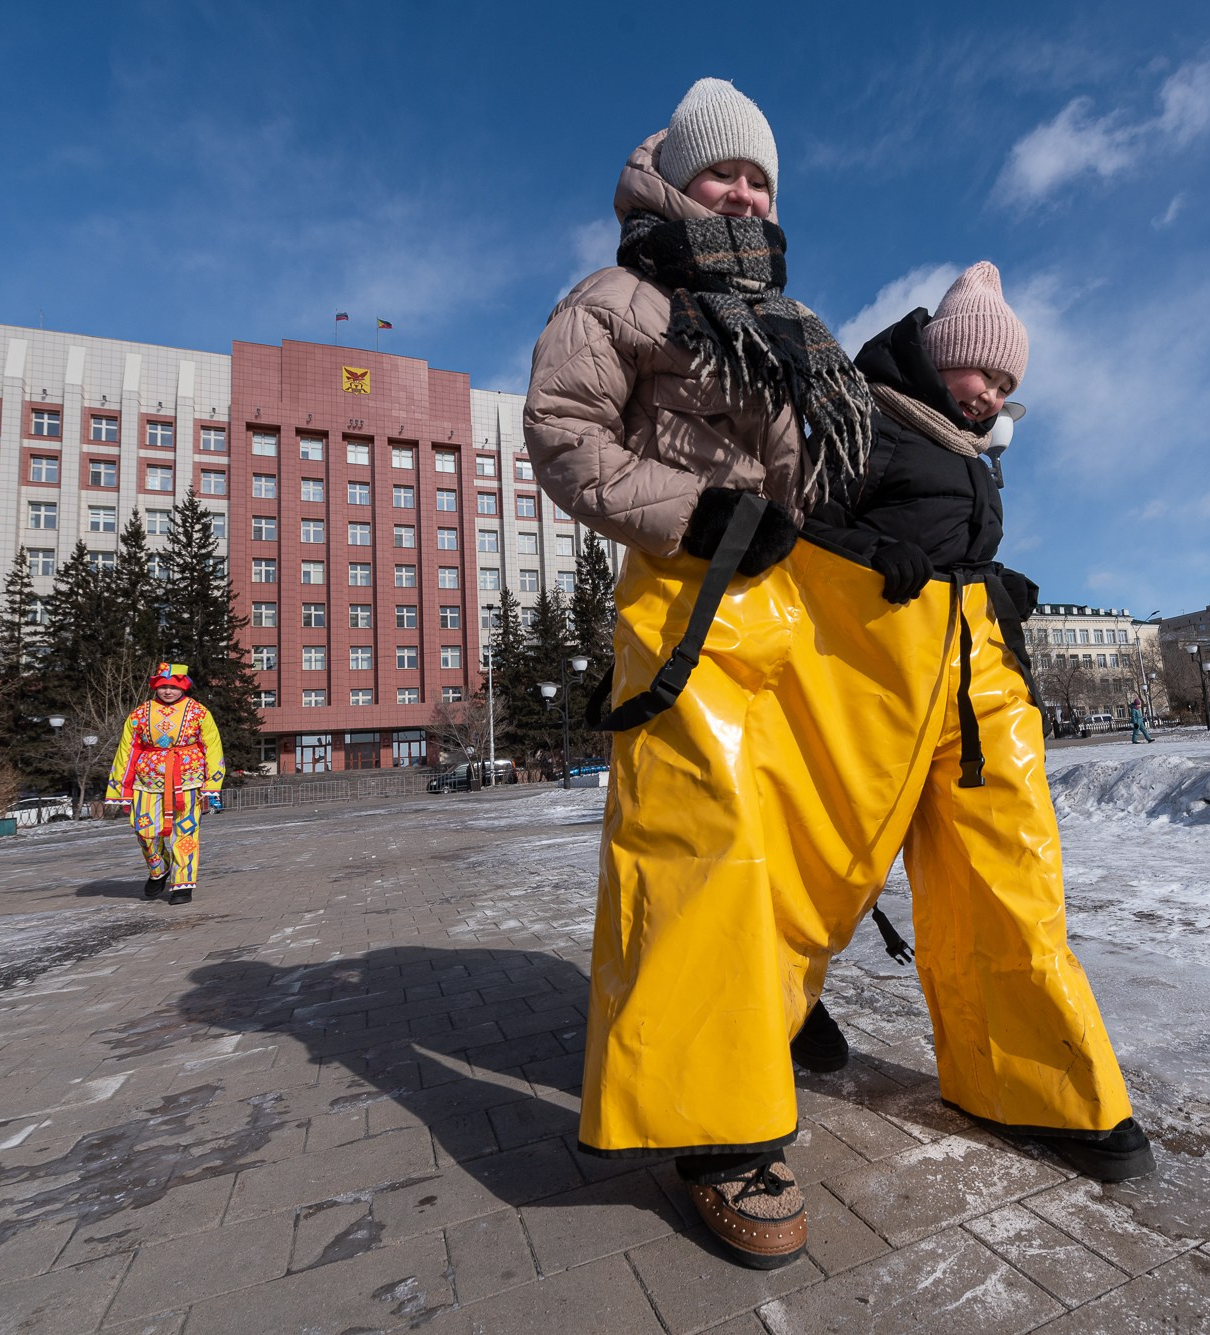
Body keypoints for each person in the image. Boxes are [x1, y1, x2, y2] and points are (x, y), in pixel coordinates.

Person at [526, 77, 874, 1270]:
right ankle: (717, 1128)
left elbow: (820, 474)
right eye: (722, 170)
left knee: (807, 829)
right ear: (675, 176)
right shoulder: (615, 298)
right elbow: (565, 438)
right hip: (684, 600)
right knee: (700, 850)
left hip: (783, 609)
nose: (742, 190)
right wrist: (702, 514)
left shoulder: (787, 322)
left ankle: (767, 1002)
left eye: (759, 177)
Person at [794, 262, 1148, 1176]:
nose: (991, 393)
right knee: (825, 865)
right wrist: (872, 551)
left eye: (1006, 385)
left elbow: (952, 551)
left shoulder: (972, 454)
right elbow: (800, 527)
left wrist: (995, 589)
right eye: (980, 374)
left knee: (1008, 877)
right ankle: (764, 1017)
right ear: (938, 359)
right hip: (864, 684)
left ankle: (1032, 1083)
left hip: (967, 692)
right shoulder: (864, 417)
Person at [105, 663, 225, 905]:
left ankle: (183, 883)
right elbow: (127, 750)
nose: (168, 691)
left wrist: (212, 784)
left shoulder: (199, 712)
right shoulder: (139, 714)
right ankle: (158, 868)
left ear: (184, 687)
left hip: (188, 781)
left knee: (186, 831)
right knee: (144, 831)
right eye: (163, 686)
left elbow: (212, 747)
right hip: (146, 782)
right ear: (155, 687)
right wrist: (120, 786)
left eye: (173, 686)